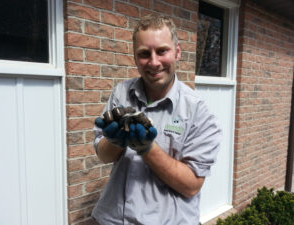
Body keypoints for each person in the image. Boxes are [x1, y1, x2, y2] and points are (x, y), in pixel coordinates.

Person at [91, 14, 222, 225]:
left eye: (162, 51)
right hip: (112, 218)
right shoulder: (121, 93)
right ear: (134, 57)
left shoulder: (198, 111)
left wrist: (146, 148)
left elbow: (191, 186)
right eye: (144, 54)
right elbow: (103, 156)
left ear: (177, 52)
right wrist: (113, 141)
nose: (153, 62)